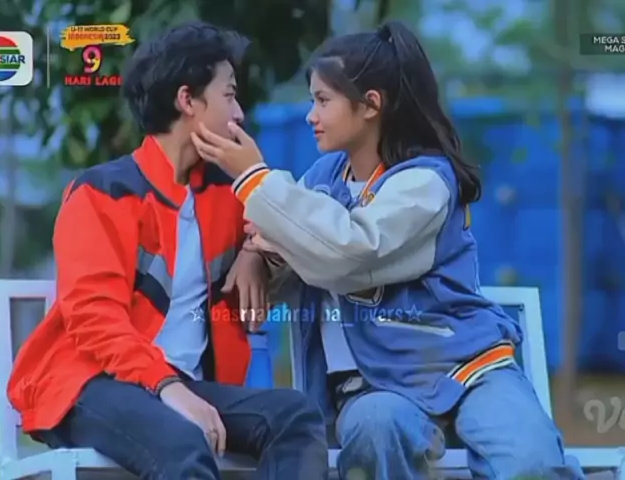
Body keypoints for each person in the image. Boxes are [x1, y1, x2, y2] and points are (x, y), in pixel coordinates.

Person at [191, 20, 584, 480]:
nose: (311, 116)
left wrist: (253, 178)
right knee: (375, 429)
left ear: (371, 105)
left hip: (468, 368)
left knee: (532, 461)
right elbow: (296, 241)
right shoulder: (323, 179)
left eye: (323, 101)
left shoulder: (426, 182)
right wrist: (256, 256)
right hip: (372, 389)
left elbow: (350, 250)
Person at [7, 21, 328, 480]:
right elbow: (94, 318)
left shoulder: (225, 194)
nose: (239, 113)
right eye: (229, 95)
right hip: (92, 384)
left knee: (296, 417)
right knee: (184, 443)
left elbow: (287, 232)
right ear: (187, 100)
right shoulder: (103, 192)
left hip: (184, 386)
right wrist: (166, 385)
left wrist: (254, 254)